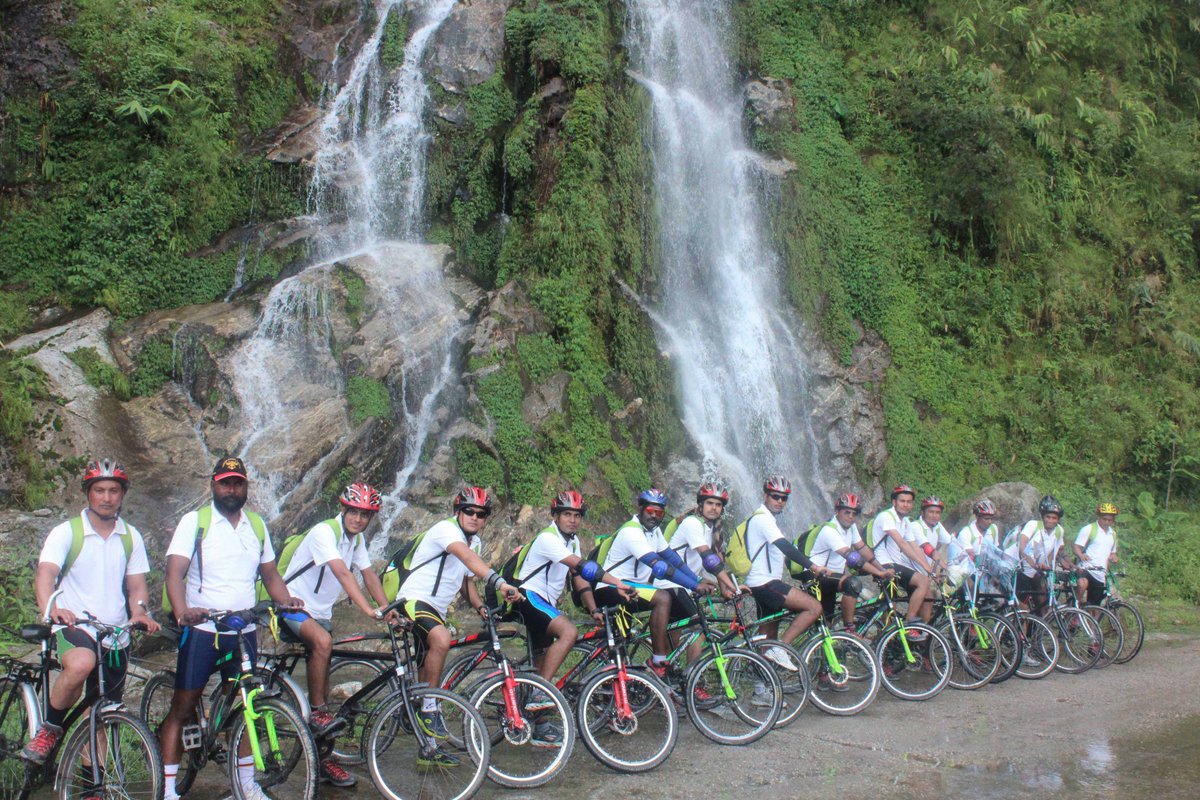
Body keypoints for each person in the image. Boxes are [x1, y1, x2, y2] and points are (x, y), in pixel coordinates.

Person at [159, 457, 301, 800]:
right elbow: (174, 573)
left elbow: (270, 575)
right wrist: (183, 612)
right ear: (213, 485)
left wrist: (287, 601)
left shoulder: (256, 525)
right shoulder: (195, 522)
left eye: (237, 483)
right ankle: (167, 789)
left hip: (243, 630)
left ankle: (248, 786)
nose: (231, 489)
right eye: (225, 483)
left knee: (246, 704)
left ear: (246, 487)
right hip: (204, 630)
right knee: (183, 704)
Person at [23, 459, 160, 783]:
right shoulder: (67, 532)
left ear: (122, 494)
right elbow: (46, 574)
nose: (107, 497)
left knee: (100, 715)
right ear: (88, 493)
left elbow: (137, 585)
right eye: (99, 489)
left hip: (115, 632)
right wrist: (51, 609)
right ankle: (49, 730)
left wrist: (139, 612)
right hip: (74, 625)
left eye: (113, 490)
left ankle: (91, 787)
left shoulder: (131, 536)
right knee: (82, 663)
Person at [276, 482, 396, 788]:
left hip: (321, 613)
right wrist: (369, 610)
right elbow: (343, 573)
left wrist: (388, 609)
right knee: (324, 643)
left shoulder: (356, 541)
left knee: (326, 661)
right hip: (292, 605)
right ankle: (317, 712)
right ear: (343, 509)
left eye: (365, 515)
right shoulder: (324, 532)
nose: (358, 519)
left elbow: (368, 574)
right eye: (354, 512)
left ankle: (324, 757)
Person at [395, 487, 524, 758]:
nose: (475, 517)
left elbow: (467, 581)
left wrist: (480, 607)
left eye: (481, 514)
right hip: (413, 600)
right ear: (458, 511)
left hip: (436, 609)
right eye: (469, 511)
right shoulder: (446, 530)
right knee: (441, 639)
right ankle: (429, 708)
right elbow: (466, 558)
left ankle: (428, 747)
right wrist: (500, 583)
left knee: (424, 663)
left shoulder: (474, 542)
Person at [510, 490, 635, 703]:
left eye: (577, 515)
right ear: (555, 516)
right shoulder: (548, 538)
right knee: (568, 632)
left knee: (542, 662)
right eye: (567, 514)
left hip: (544, 603)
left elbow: (579, 578)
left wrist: (593, 608)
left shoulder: (573, 542)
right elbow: (583, 567)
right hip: (528, 597)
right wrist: (617, 583)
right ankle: (542, 693)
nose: (573, 520)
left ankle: (535, 714)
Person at [593, 488, 704, 681]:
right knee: (662, 598)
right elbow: (660, 567)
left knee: (675, 594)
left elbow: (674, 560)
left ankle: (666, 664)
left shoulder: (654, 532)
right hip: (611, 588)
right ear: (641, 509)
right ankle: (658, 661)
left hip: (633, 589)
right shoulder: (631, 531)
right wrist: (694, 586)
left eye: (659, 513)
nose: (654, 516)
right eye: (650, 511)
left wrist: (698, 581)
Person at [741, 476, 829, 674]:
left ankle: (761, 689)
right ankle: (781, 649)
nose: (779, 501)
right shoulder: (763, 518)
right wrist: (813, 567)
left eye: (784, 498)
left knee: (767, 637)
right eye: (775, 496)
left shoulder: (765, 518)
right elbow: (785, 547)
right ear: (765, 495)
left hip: (761, 584)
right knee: (814, 607)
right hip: (765, 584)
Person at [806, 493, 894, 630]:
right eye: (847, 512)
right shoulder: (829, 530)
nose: (851, 517)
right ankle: (849, 628)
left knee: (826, 624)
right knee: (852, 584)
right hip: (816, 575)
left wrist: (881, 569)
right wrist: (878, 573)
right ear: (837, 511)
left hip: (831, 577)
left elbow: (863, 549)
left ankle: (816, 646)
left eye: (854, 513)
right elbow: (853, 558)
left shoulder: (851, 528)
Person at [868, 484, 934, 631]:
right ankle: (909, 621)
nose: (906, 505)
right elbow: (902, 544)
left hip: (897, 564)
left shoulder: (905, 522)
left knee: (927, 594)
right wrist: (925, 567)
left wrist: (927, 566)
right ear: (894, 502)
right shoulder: (886, 516)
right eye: (902, 501)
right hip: (884, 564)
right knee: (917, 585)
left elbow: (913, 545)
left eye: (909, 502)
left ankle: (922, 633)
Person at [1013, 495, 1067, 612]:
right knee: (1023, 607)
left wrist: (1045, 565)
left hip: (1036, 571)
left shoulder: (1059, 531)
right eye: (1048, 517)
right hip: (1019, 568)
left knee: (1043, 603)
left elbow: (1054, 551)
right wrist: (1034, 564)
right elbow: (1022, 547)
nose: (1051, 520)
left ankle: (1038, 629)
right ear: (1042, 516)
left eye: (1054, 518)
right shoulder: (1033, 525)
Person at [1072, 503, 1120, 606]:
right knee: (1082, 584)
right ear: (1099, 517)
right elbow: (1076, 547)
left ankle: (1086, 619)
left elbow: (1113, 553)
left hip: (1100, 573)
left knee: (1093, 606)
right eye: (1104, 519)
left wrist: (1114, 557)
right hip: (1085, 568)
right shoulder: (1089, 529)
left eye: (1110, 520)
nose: (1107, 522)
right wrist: (1081, 555)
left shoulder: (1113, 534)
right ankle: (1074, 608)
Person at [912, 496, 953, 576]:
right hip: (911, 571)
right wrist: (946, 567)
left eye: (938, 513)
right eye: (931, 512)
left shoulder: (937, 526)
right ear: (922, 513)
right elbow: (929, 550)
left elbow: (951, 542)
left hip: (925, 573)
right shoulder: (915, 526)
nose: (934, 515)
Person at [956, 498, 1000, 566]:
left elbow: (995, 552)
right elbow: (970, 558)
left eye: (991, 518)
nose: (990, 522)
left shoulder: (993, 529)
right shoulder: (966, 533)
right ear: (977, 517)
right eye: (986, 519)